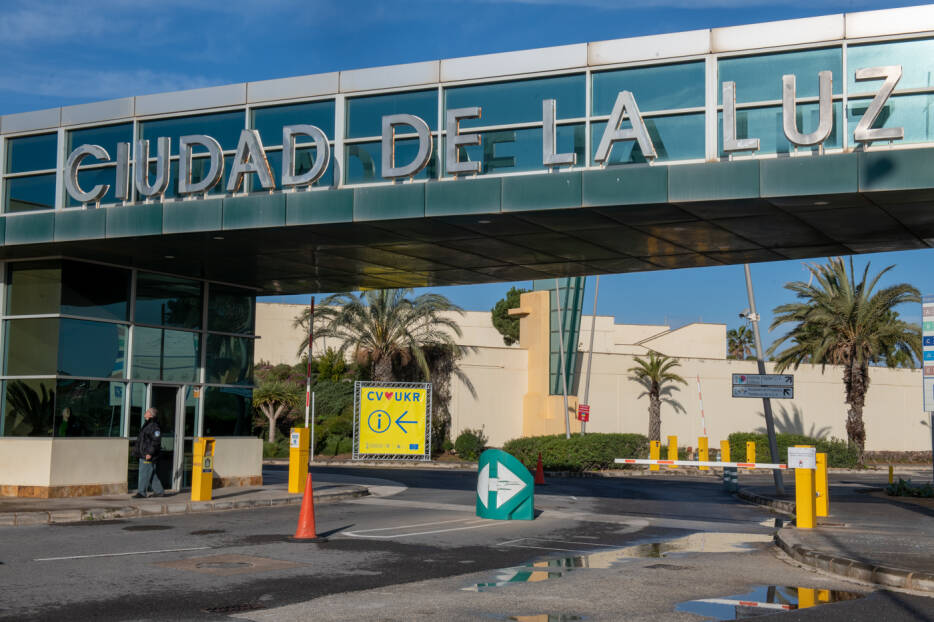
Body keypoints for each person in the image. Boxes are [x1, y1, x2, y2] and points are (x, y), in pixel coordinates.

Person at [134, 408, 165, 498]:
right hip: (144, 453)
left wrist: (149, 453)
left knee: (144, 473)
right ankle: (159, 491)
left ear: (151, 415)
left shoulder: (154, 426)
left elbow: (155, 441)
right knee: (150, 473)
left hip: (147, 454)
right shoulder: (148, 424)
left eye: (147, 411)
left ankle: (141, 492)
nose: (145, 412)